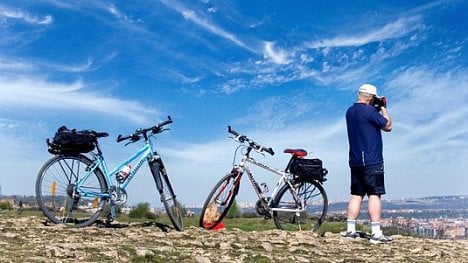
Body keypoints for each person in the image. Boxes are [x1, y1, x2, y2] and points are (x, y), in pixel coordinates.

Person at [342, 83, 393, 244]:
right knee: (374, 194)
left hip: (355, 160)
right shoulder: (370, 111)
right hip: (372, 160)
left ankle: (350, 230)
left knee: (356, 194)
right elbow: (388, 126)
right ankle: (376, 233)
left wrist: (374, 106)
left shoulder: (350, 111)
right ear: (371, 98)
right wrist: (383, 107)